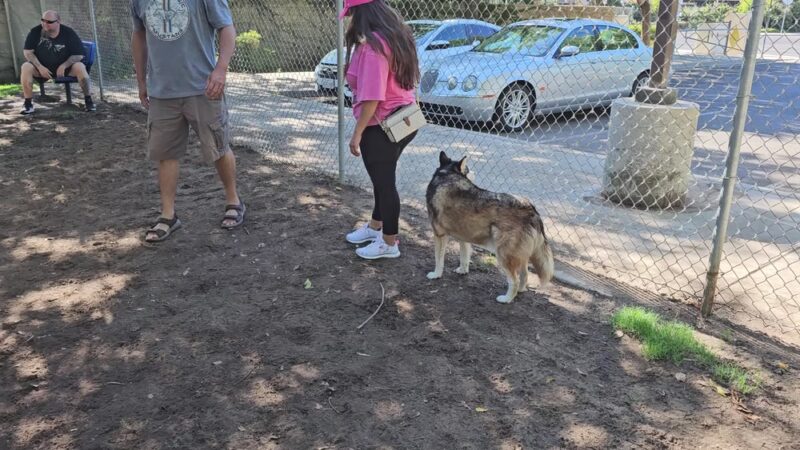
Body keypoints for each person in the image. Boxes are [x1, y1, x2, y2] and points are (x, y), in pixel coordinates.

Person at [131, 0, 244, 243]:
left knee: (218, 147)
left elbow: (226, 27)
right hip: (162, 91)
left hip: (204, 87)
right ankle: (168, 215)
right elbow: (139, 35)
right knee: (165, 153)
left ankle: (233, 200)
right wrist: (141, 80)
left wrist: (221, 69)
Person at [341, 0, 420, 260]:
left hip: (382, 124)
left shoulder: (374, 46)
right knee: (382, 178)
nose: (350, 20)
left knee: (385, 184)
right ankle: (376, 226)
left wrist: (357, 133)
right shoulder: (397, 35)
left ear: (362, 14)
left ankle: (389, 242)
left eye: (351, 14)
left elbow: (372, 96)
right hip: (405, 119)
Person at [20, 10, 96, 114]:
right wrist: (40, 67)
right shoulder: (35, 32)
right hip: (42, 69)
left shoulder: (68, 32)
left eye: (49, 22)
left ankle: (88, 101)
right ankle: (28, 104)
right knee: (26, 67)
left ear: (58, 21)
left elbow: (79, 55)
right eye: (43, 20)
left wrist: (64, 65)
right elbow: (28, 52)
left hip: (66, 69)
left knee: (80, 66)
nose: (45, 24)